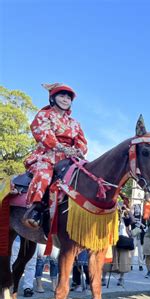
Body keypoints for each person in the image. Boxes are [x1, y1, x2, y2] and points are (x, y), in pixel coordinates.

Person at [22, 83, 87, 229]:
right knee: (45, 172)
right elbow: (43, 133)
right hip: (48, 153)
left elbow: (82, 141)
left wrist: (78, 150)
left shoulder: (75, 124)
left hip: (70, 158)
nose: (65, 100)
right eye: (62, 96)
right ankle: (36, 209)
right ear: (53, 98)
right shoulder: (44, 114)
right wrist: (60, 147)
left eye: (68, 98)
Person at [131, 204, 145, 271]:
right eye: (135, 208)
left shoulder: (142, 217)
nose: (137, 209)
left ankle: (140, 265)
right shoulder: (132, 217)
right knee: (132, 251)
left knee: (140, 251)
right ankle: (130, 264)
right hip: (134, 235)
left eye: (138, 208)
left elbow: (145, 227)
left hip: (140, 235)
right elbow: (130, 225)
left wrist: (140, 224)